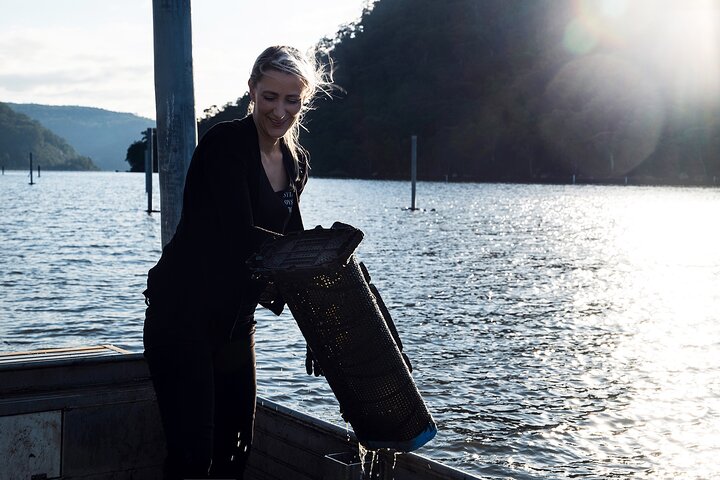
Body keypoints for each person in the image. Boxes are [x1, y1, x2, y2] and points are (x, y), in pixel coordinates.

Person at [143, 45, 332, 479]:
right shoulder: (224, 144)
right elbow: (241, 237)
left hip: (234, 323)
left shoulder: (295, 161)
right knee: (193, 458)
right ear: (251, 90)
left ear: (302, 102)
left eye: (291, 100)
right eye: (270, 96)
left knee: (236, 452)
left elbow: (294, 246)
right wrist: (313, 258)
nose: (279, 110)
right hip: (181, 317)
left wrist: (320, 327)